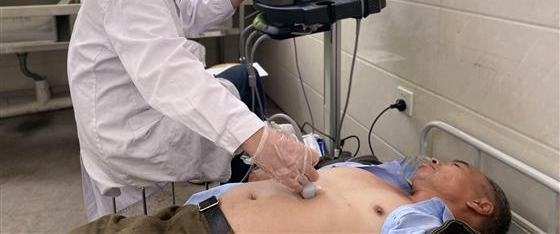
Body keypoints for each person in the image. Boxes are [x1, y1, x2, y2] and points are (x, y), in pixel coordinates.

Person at [67, 0, 319, 220]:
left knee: (237, 92)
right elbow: (169, 72)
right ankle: (254, 199)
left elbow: (184, 11)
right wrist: (259, 139)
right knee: (236, 103)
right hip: (131, 129)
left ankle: (255, 184)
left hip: (134, 108)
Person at [70, 158, 511, 234]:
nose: (434, 159)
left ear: (480, 204)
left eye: (456, 166)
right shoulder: (385, 178)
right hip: (189, 215)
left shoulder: (423, 224)